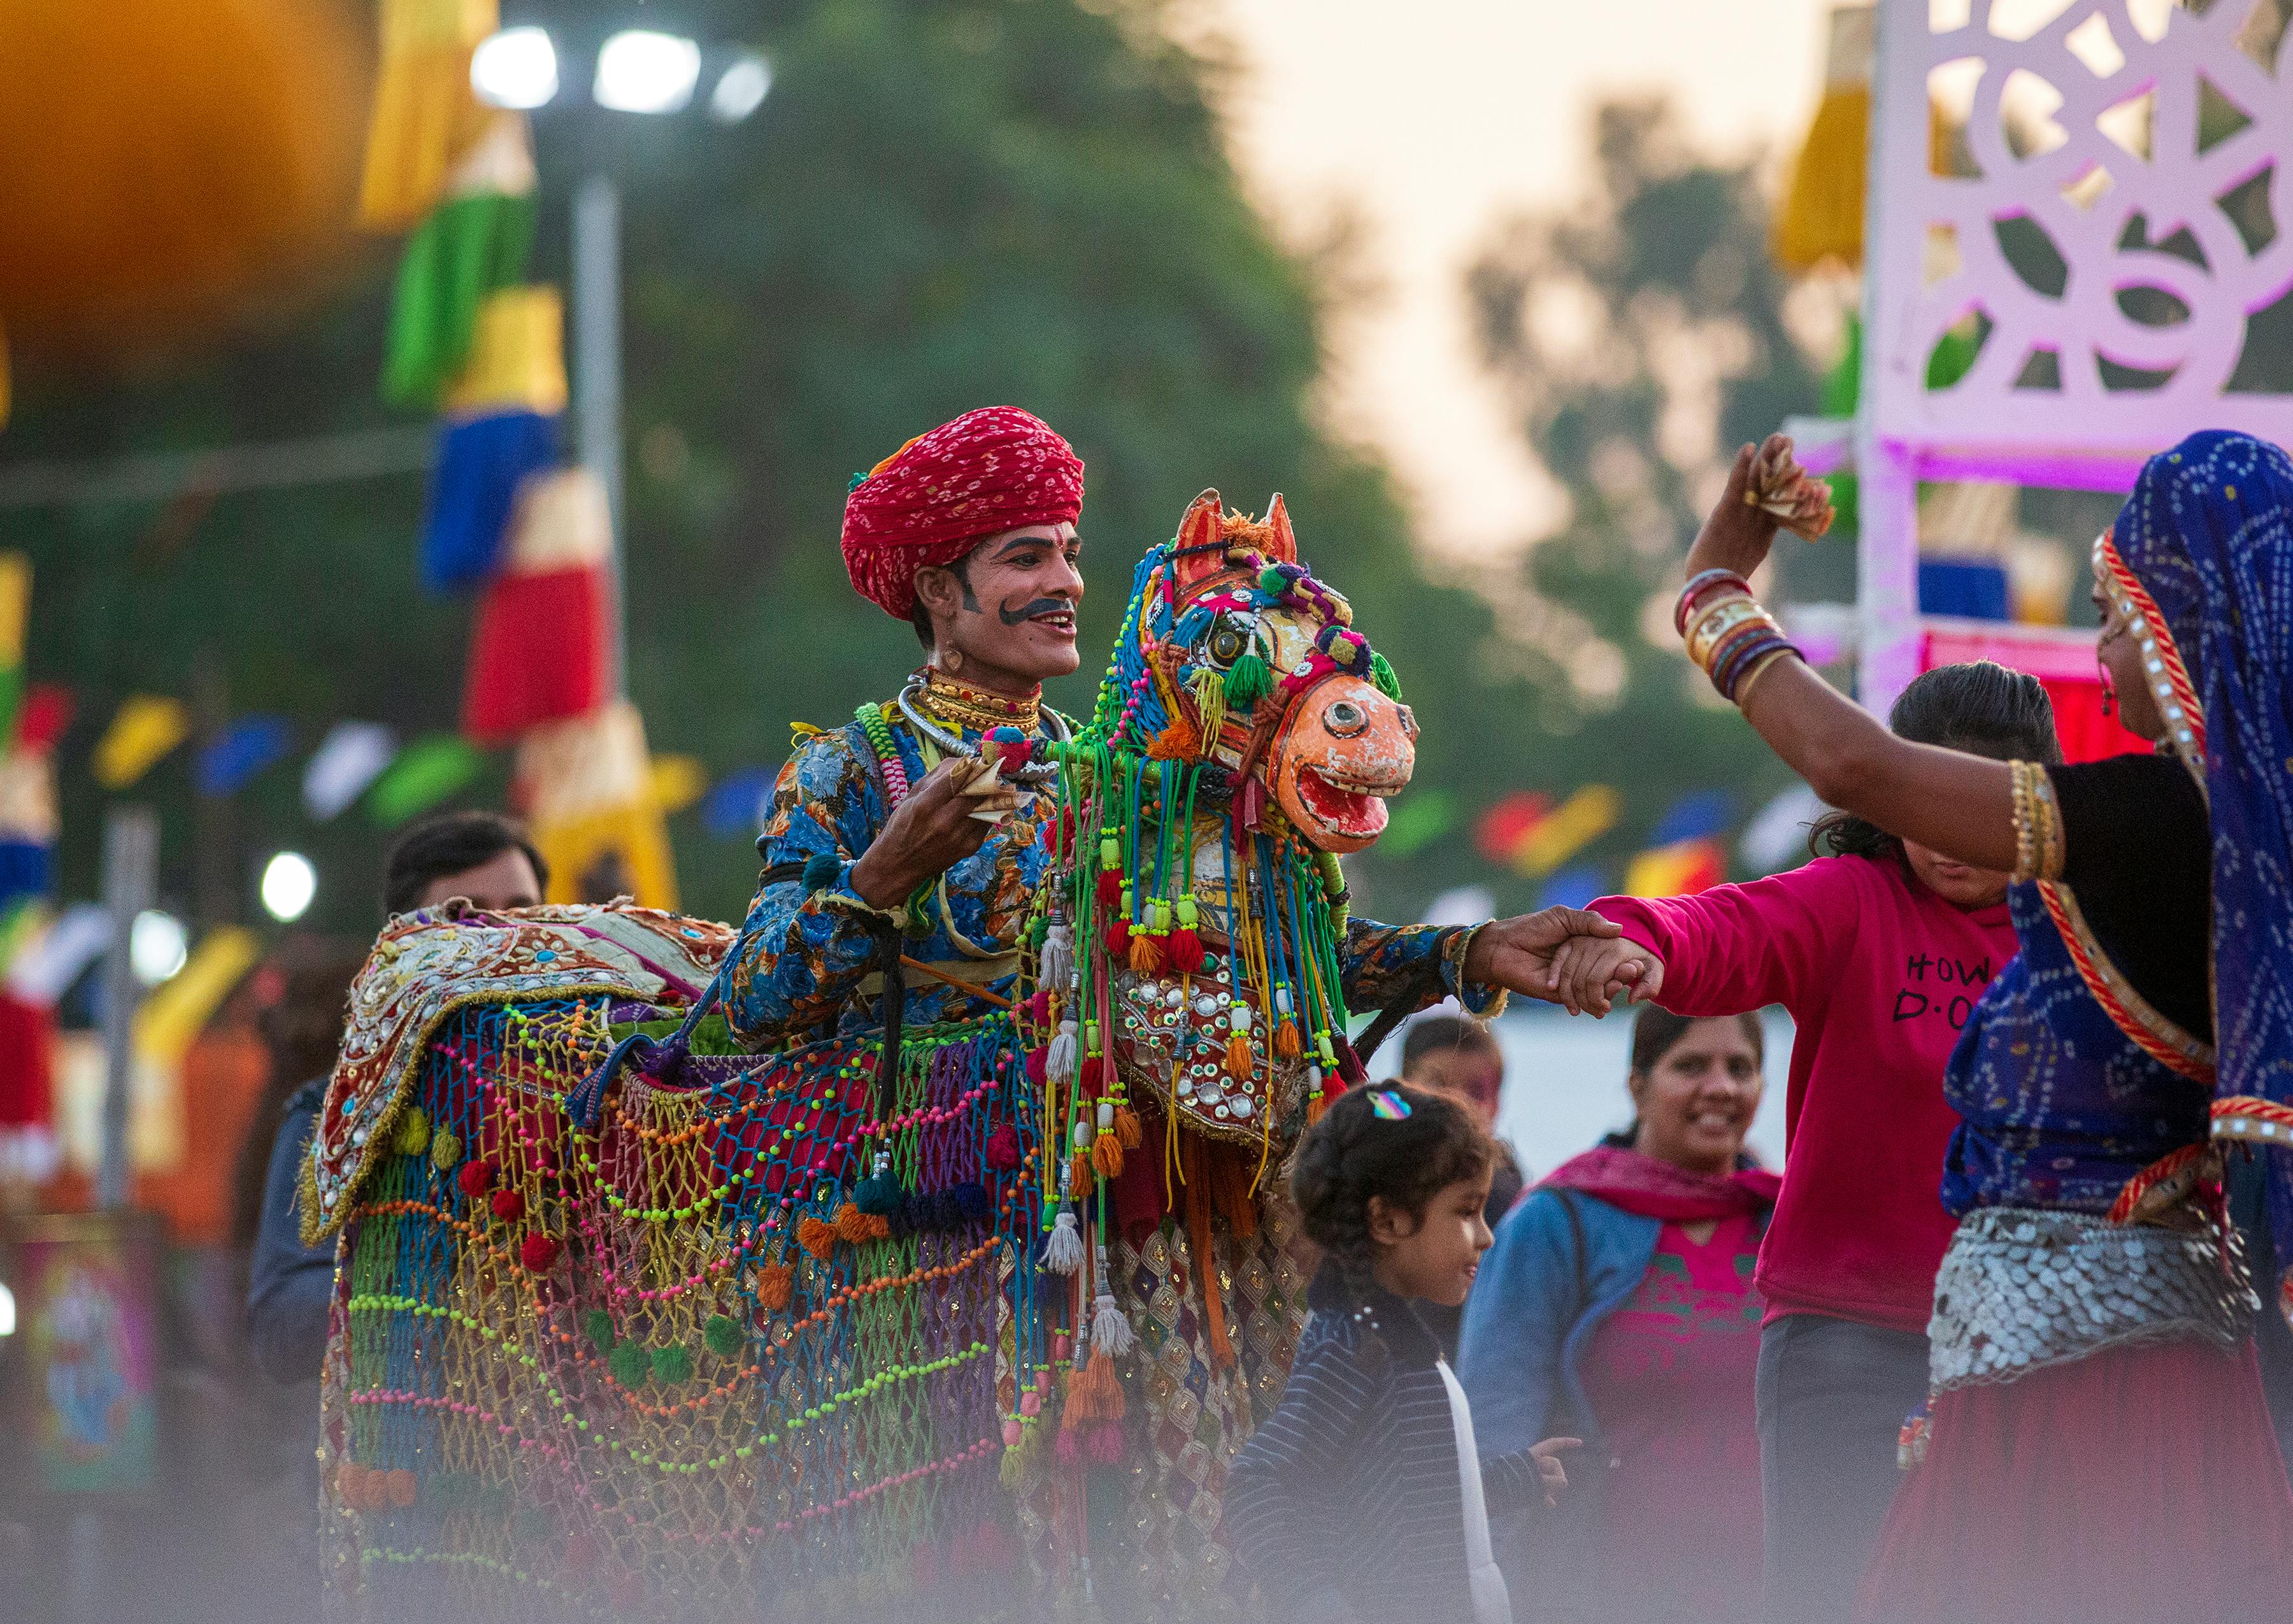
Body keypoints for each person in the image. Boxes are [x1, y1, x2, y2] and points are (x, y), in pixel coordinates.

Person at [717, 404, 1629, 1603]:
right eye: (1025, 559)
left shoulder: (1127, 779)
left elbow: (1261, 954)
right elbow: (752, 999)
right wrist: (887, 874)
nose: (1064, 585)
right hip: (930, 1259)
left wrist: (1471, 952)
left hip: (1143, 1248)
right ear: (941, 589)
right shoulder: (851, 770)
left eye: (1072, 554)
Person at [1645, 429, 2293, 1622]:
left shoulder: (2157, 822)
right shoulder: (2254, 842)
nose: (2097, 650)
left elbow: (1852, 763)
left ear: (2181, 620)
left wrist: (1713, 593)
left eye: (2115, 610)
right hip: (2143, 1359)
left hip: (2071, 1380)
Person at [1538, 662, 2047, 1623]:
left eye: (1966, 800)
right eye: (1914, 797)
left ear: (2031, 801)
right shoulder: (1856, 899)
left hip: (2035, 1347)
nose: (1941, 832)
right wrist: (1630, 937)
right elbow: (1718, 928)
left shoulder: (2077, 930)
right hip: (1847, 1342)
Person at [1459, 1008, 1776, 1623]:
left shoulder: (1785, 1221)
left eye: (1741, 1068)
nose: (1721, 1087)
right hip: (1604, 1586)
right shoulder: (1555, 1223)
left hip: (1773, 1587)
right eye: (1690, 1066)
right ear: (1637, 1084)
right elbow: (1495, 1432)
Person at [1226, 1081, 1575, 1624]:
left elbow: (1410, 1490)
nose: (1485, 1236)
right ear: (1387, 1221)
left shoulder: (1390, 1341)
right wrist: (1316, 1604)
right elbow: (1257, 1484)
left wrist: (1511, 1479)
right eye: (1466, 1212)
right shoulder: (1352, 1350)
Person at [243, 809, 547, 1381]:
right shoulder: (338, 1114)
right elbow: (279, 1324)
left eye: (524, 914)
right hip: (404, 1453)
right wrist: (437, 1290)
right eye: (468, 917)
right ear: (408, 943)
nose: (506, 938)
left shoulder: (601, 1100)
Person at [1401, 1013, 1526, 1355]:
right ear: (1401, 1090)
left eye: (1475, 1091)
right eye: (1437, 1086)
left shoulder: (1507, 1197)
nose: (1454, 1103)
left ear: (1497, 1103)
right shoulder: (1377, 1175)